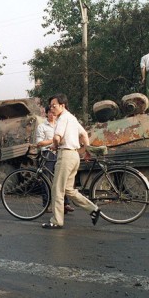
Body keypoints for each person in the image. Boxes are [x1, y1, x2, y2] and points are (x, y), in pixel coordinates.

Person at [42, 94, 100, 229]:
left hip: (65, 155)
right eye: (50, 106)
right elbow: (84, 134)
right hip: (74, 157)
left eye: (54, 105)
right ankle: (93, 209)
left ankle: (57, 221)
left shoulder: (62, 118)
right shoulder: (73, 118)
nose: (52, 108)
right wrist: (86, 150)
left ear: (62, 105)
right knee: (68, 189)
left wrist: (54, 146)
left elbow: (57, 138)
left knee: (57, 189)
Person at [35, 105, 73, 214]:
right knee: (46, 179)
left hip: (59, 152)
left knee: (62, 178)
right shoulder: (42, 127)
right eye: (50, 113)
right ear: (46, 114)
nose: (52, 115)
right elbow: (40, 143)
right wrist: (54, 140)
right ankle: (46, 204)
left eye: (53, 113)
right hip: (47, 153)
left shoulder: (59, 125)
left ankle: (65, 204)